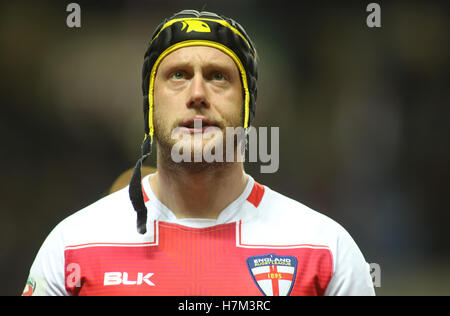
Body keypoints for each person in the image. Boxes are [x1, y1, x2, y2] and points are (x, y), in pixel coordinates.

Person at [23, 9, 375, 296]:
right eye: (177, 75)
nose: (197, 93)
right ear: (149, 105)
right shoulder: (72, 247)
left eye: (218, 76)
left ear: (247, 108)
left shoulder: (326, 251)